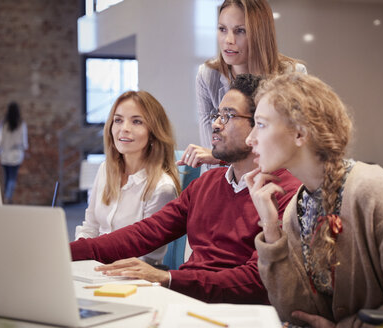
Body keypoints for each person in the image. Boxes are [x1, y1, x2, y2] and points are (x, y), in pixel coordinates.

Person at [70, 74, 301, 303]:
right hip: (185, 300)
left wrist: (169, 279)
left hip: (233, 313)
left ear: (260, 125)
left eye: (228, 116)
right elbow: (143, 233)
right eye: (217, 115)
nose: (216, 123)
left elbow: (257, 280)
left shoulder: (288, 195)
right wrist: (62, 252)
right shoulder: (206, 184)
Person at [245, 73, 383, 327]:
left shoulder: (372, 188)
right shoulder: (295, 210)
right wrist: (270, 227)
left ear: (300, 133)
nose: (249, 138)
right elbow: (295, 312)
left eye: (261, 124)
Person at [178, 0, 306, 171]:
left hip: (276, 178)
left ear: (260, 34)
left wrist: (221, 158)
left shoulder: (292, 76)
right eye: (222, 29)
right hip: (222, 177)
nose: (228, 40)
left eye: (240, 31)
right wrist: (218, 157)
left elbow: (293, 148)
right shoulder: (208, 75)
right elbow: (213, 150)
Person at [75, 91, 181, 266]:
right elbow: (90, 228)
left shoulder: (162, 188)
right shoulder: (105, 169)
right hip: (95, 267)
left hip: (132, 278)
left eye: (136, 121)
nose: (124, 128)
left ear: (153, 132)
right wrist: (77, 257)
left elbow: (145, 257)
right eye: (118, 120)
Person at [0, 101, 28, 204]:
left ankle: (6, 196)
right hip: (16, 154)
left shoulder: (4, 123)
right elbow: (24, 141)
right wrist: (24, 148)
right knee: (12, 177)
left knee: (6, 177)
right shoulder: (21, 124)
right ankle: (8, 196)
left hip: (4, 154)